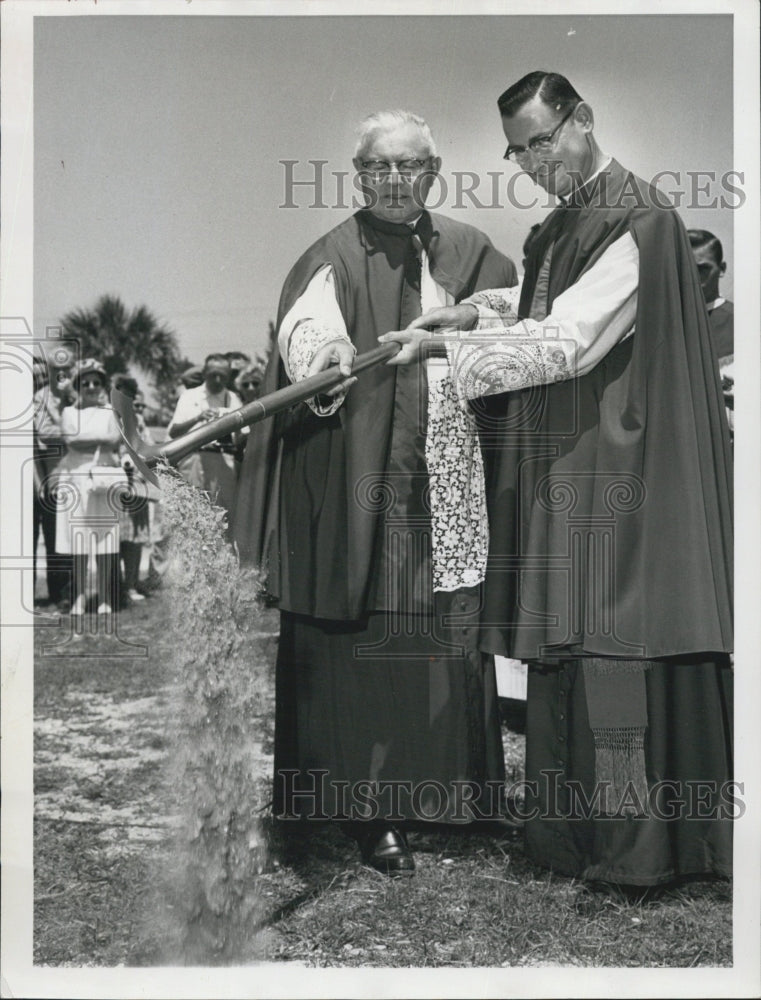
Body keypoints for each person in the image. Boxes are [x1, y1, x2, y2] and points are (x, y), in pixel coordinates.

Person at [381, 73, 733, 891]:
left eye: (543, 141)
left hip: (624, 463)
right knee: (567, 638)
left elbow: (569, 339)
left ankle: (633, 846)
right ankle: (567, 836)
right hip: (571, 456)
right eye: (518, 150)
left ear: (583, 121)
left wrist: (443, 352)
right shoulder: (563, 224)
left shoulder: (639, 218)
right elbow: (541, 303)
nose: (534, 162)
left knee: (612, 642)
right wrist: (471, 314)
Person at [235, 110, 516, 875]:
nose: (394, 181)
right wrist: (324, 355)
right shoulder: (328, 254)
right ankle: (367, 809)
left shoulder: (472, 250)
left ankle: (447, 796)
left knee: (439, 638)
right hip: (367, 486)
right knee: (360, 644)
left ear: (433, 170)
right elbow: (304, 327)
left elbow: (522, 318)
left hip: (450, 479)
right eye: (377, 168)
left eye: (409, 166)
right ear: (357, 174)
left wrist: (475, 323)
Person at [54, 359, 126, 619]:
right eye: (85, 383)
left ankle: (105, 598)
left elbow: (115, 440)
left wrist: (91, 441)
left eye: (96, 382)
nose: (91, 387)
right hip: (75, 478)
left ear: (103, 385)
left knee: (106, 539)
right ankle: (80, 598)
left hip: (104, 478)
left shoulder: (110, 412)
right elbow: (71, 441)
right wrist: (99, 441)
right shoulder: (69, 413)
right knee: (79, 541)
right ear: (77, 385)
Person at [167, 353, 242, 534]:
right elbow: (174, 431)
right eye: (213, 375)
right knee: (192, 516)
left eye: (222, 376)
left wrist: (233, 424)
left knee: (223, 518)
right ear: (204, 373)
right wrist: (198, 418)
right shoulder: (189, 396)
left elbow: (241, 440)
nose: (217, 380)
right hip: (195, 459)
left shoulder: (233, 399)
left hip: (224, 461)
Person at [33, 345, 77, 608]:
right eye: (56, 369)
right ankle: (54, 592)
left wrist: (71, 396)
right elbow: (43, 433)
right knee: (51, 534)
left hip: (77, 475)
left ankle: (66, 593)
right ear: (49, 371)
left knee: (68, 537)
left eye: (66, 369)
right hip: (51, 475)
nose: (61, 373)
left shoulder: (82, 396)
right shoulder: (40, 398)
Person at [688, 229, 733, 435]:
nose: (694, 277)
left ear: (721, 268)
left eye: (703, 269)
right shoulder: (658, 321)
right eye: (686, 268)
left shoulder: (742, 322)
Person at [112, 376, 152, 605]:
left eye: (129, 394)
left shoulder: (137, 420)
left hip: (136, 483)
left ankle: (131, 584)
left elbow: (147, 447)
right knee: (115, 537)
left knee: (134, 538)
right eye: (120, 393)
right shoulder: (107, 417)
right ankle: (115, 586)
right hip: (113, 484)